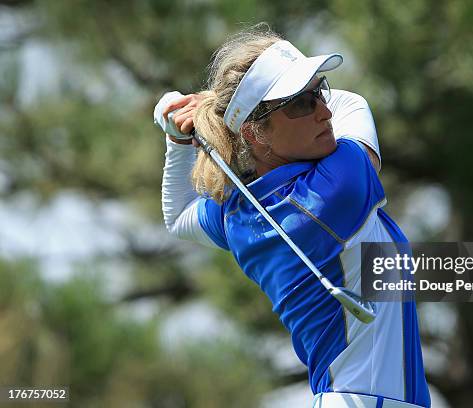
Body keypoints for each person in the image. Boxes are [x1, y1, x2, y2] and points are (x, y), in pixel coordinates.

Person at [153, 24, 430, 408]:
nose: (325, 111)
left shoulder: (237, 212)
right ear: (254, 134)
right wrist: (211, 105)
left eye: (319, 91)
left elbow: (179, 214)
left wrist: (177, 140)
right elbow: (356, 105)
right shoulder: (335, 189)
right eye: (300, 103)